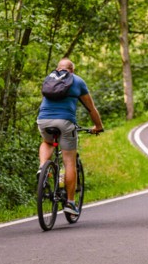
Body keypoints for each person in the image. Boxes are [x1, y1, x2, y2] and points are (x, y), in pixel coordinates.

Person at [37, 58, 103, 215]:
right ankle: (71, 203)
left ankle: (42, 167)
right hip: (65, 123)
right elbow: (91, 108)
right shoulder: (78, 81)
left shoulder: (49, 78)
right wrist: (98, 126)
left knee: (48, 142)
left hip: (43, 120)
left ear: (58, 68)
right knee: (69, 162)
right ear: (72, 70)